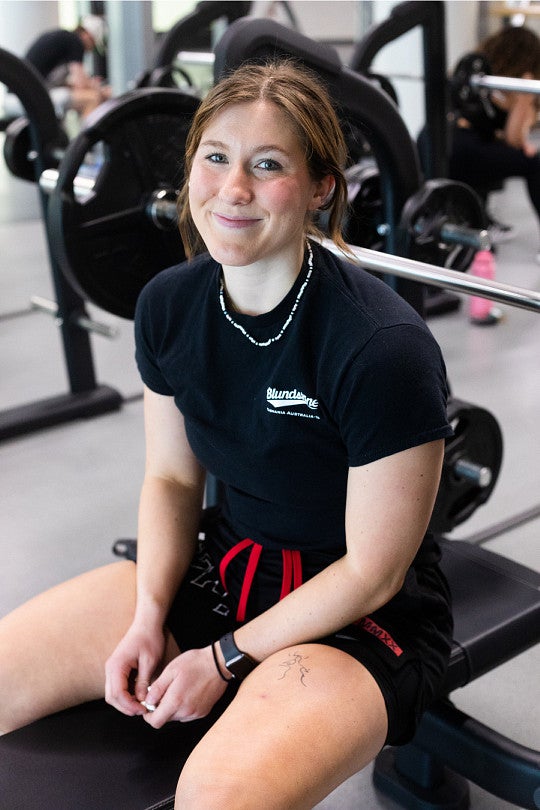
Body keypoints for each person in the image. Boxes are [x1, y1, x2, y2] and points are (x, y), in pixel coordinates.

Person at [0, 61, 454, 808]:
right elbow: (174, 480)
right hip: (227, 568)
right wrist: (150, 613)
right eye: (215, 157)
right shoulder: (168, 306)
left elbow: (374, 572)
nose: (233, 189)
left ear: (321, 188)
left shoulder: (381, 349)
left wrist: (224, 658)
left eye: (267, 165)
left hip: (361, 612)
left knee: (217, 798)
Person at [448, 25, 540, 253]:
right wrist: (526, 97)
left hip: (448, 143)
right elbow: (515, 140)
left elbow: (506, 138)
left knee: (514, 156)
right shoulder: (496, 86)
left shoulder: (484, 81)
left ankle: (481, 220)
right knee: (536, 164)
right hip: (460, 149)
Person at [4, 15, 110, 120]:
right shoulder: (75, 41)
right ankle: (88, 138)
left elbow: (58, 83)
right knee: (91, 99)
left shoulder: (63, 39)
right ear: (87, 35)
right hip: (23, 100)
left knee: (80, 96)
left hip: (15, 99)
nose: (90, 50)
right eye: (93, 44)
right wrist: (100, 89)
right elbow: (80, 84)